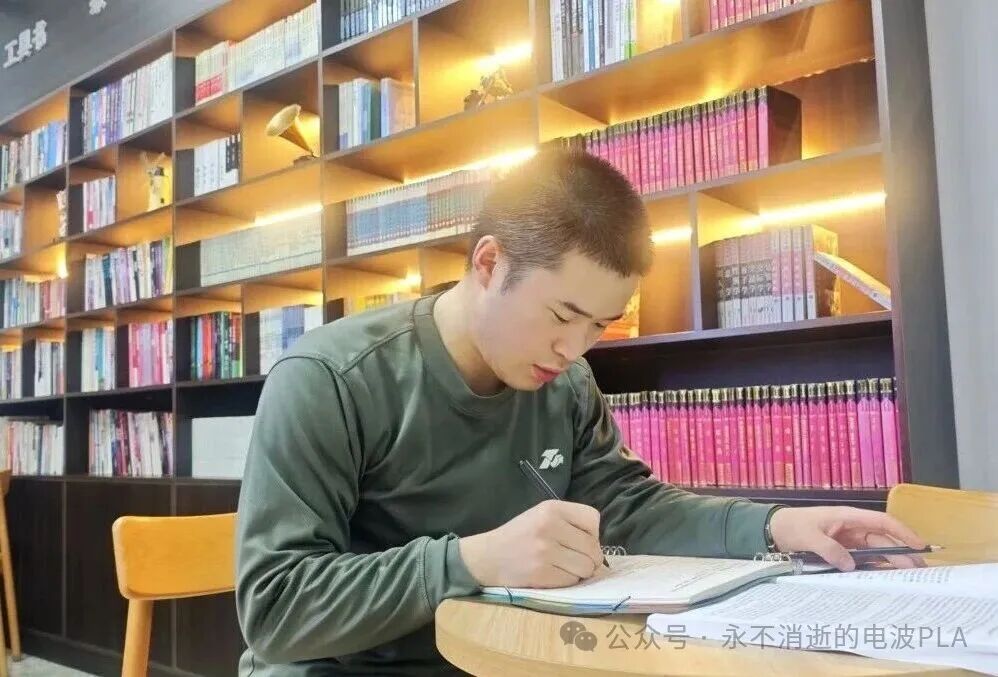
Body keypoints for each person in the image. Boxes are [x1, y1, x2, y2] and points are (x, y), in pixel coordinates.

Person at [234, 148, 926, 675]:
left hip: (511, 658)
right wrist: (473, 559)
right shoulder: (329, 378)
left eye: (599, 324)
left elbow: (629, 507)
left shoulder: (566, 383)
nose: (573, 348)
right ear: (488, 264)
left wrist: (776, 526)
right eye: (563, 314)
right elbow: (274, 607)